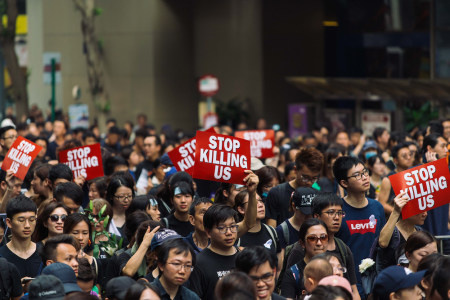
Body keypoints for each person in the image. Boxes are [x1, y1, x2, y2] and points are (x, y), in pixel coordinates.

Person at [333, 156, 385, 299]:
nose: (364, 177)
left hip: (376, 280)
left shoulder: (377, 207)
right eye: (357, 175)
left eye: (365, 172)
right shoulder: (337, 211)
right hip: (348, 282)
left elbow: (383, 242)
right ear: (344, 183)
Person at [266, 147, 323, 227]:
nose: (309, 183)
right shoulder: (277, 193)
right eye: (305, 177)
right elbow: (271, 228)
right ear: (295, 170)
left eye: (314, 178)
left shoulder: (318, 195)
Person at [377, 191, 428, 271]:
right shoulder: (391, 231)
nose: (425, 214)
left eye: (426, 209)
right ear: (406, 209)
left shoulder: (420, 231)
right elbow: (382, 243)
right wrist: (396, 211)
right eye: (420, 210)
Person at [279, 218, 329, 298]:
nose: (319, 243)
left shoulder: (336, 268)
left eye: (323, 237)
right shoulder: (293, 273)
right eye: (312, 238)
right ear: (302, 243)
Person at [0, 195, 42, 280]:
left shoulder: (44, 253)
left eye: (32, 220)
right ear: (9, 222)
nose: (27, 225)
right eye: (21, 220)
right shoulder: (1, 256)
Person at [378, 143, 414, 215]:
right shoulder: (388, 180)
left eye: (410, 154)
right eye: (404, 156)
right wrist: (401, 213)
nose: (409, 157)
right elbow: (382, 204)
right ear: (395, 160)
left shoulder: (415, 174)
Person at [106, 172, 135, 239]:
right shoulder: (105, 216)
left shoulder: (134, 214)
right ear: (111, 196)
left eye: (129, 196)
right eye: (121, 196)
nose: (126, 200)